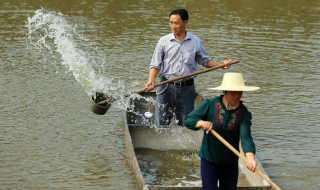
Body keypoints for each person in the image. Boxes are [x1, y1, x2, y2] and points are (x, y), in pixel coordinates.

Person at [145, 8, 233, 127]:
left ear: (185, 22)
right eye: (170, 22)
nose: (173, 26)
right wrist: (151, 80)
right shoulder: (163, 41)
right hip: (165, 86)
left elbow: (205, 61)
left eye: (176, 23)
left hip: (187, 88)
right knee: (161, 123)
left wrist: (221, 65)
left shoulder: (195, 41)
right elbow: (155, 64)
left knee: (187, 124)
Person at [183, 72, 259, 190]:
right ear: (225, 91)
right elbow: (188, 120)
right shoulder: (210, 104)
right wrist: (202, 123)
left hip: (230, 162)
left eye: (239, 92)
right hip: (209, 160)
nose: (236, 96)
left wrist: (251, 159)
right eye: (233, 92)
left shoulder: (244, 114)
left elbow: (246, 139)